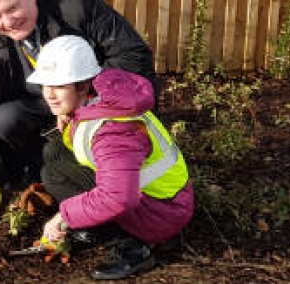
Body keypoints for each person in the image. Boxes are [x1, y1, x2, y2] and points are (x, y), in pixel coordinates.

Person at [0, 0, 157, 226]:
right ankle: (45, 172)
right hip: (44, 104)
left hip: (97, 102)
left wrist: (86, 104)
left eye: (12, 8)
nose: (7, 22)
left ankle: (88, 175)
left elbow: (133, 55)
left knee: (103, 164)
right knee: (5, 118)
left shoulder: (75, 6)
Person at [27, 35, 193, 280]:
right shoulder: (106, 96)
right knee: (55, 153)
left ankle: (132, 246)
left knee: (55, 173)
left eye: (60, 86)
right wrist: (73, 115)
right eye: (45, 85)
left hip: (162, 212)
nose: (49, 94)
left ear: (83, 85)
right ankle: (97, 225)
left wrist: (63, 218)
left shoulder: (114, 130)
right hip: (160, 197)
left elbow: (118, 197)